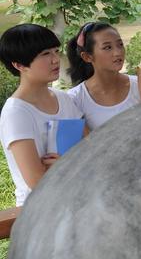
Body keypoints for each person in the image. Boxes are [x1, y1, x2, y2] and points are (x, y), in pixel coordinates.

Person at [0, 24, 84, 207]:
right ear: (19, 65)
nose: (55, 60)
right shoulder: (16, 113)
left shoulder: (64, 99)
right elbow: (36, 181)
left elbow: (91, 147)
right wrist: (74, 164)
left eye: (55, 51)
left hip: (75, 200)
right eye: (45, 54)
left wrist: (67, 164)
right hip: (41, 212)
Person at [66, 23, 140, 130]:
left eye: (120, 45)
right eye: (107, 47)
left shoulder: (140, 85)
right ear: (87, 57)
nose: (118, 52)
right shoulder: (75, 99)